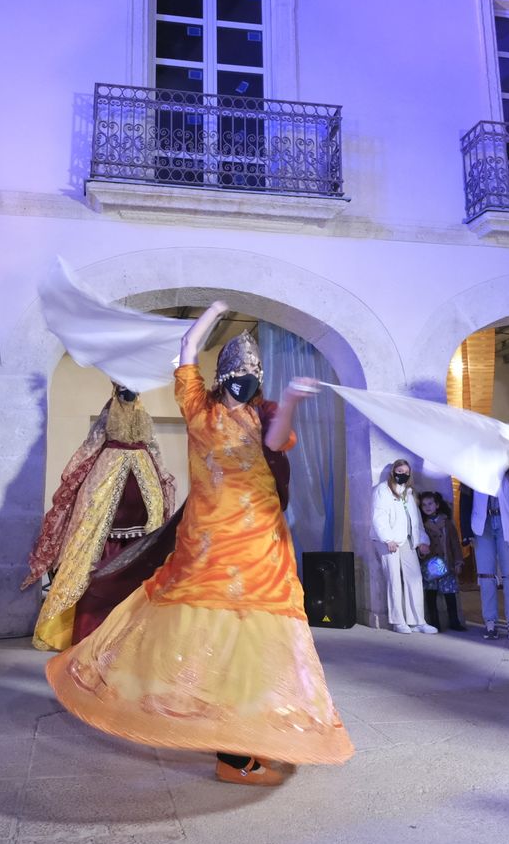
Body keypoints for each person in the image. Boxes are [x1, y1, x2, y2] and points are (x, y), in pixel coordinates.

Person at [47, 307, 353, 786]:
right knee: (214, 635)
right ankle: (231, 754)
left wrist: (292, 399)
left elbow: (276, 442)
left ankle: (250, 734)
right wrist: (214, 310)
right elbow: (188, 349)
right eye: (239, 376)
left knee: (258, 638)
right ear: (222, 378)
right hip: (210, 546)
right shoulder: (197, 407)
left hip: (262, 542)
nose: (246, 384)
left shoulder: (263, 414)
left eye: (254, 377)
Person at [22, 383, 176, 650]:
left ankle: (136, 633)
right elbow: (88, 449)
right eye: (123, 388)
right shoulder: (107, 417)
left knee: (145, 552)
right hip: (106, 478)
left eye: (133, 389)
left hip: (143, 484)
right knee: (92, 546)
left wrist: (162, 483)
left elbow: (156, 452)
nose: (129, 393)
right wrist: (75, 486)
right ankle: (88, 628)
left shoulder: (144, 418)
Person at [459, 469, 509, 640]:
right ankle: (490, 621)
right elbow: (465, 504)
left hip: (506, 523)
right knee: (486, 575)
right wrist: (466, 532)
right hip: (483, 525)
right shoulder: (472, 474)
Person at [372, 459, 434, 633]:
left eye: (406, 472)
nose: (403, 475)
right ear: (393, 472)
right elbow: (379, 516)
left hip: (407, 539)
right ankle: (398, 621)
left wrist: (422, 540)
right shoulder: (382, 490)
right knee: (394, 579)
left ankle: (417, 620)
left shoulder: (409, 492)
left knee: (414, 578)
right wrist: (387, 539)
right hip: (389, 541)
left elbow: (416, 520)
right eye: (400, 471)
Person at [418, 490, 465, 631]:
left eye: (430, 503)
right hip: (430, 564)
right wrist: (421, 553)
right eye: (424, 505)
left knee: (450, 593)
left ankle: (454, 621)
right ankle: (434, 622)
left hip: (446, 562)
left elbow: (454, 543)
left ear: (437, 505)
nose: (427, 507)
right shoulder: (421, 525)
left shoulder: (447, 523)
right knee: (431, 594)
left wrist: (458, 561)